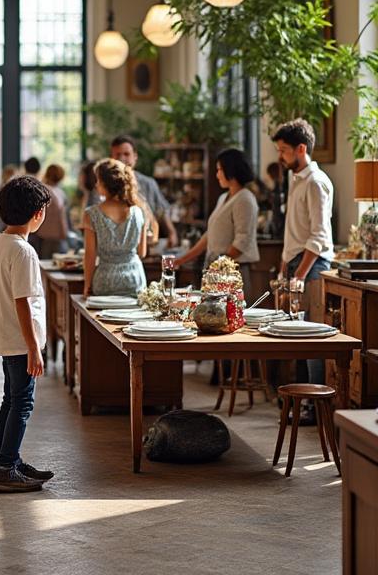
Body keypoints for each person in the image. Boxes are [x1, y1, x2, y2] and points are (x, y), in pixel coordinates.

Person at [0, 175, 56, 493]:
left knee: (11, 400)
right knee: (22, 403)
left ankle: (8, 460)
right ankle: (5, 468)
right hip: (20, 340)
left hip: (7, 337)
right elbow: (23, 303)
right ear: (37, 214)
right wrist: (34, 347)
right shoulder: (24, 252)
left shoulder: (1, 242)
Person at [274, 118, 334, 388]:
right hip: (294, 264)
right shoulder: (294, 177)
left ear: (301, 149)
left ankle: (313, 401)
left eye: (283, 150)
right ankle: (298, 397)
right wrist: (282, 267)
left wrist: (297, 275)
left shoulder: (315, 182)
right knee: (294, 336)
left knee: (311, 338)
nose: (280, 156)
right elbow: (293, 231)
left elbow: (318, 236)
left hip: (312, 266)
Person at [167, 148, 261, 295]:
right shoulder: (224, 198)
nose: (217, 175)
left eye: (219, 170)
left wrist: (220, 265)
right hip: (216, 269)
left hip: (233, 272)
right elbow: (210, 235)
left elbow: (242, 241)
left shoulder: (245, 199)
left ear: (230, 171)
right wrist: (181, 260)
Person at [83, 159, 149, 297]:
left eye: (98, 180)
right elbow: (142, 253)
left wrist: (87, 285)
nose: (96, 184)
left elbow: (90, 255)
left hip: (105, 281)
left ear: (105, 184)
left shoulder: (91, 214)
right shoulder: (139, 211)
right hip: (134, 280)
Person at [109, 135, 173, 246]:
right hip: (116, 249)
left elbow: (161, 211)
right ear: (111, 158)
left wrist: (172, 232)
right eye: (118, 155)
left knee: (169, 262)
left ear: (135, 156)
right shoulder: (104, 186)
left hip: (148, 246)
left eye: (126, 154)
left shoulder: (149, 183)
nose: (122, 159)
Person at [30, 163, 69, 259]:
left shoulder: (41, 189)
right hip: (55, 237)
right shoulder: (60, 193)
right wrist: (65, 234)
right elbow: (62, 217)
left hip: (42, 235)